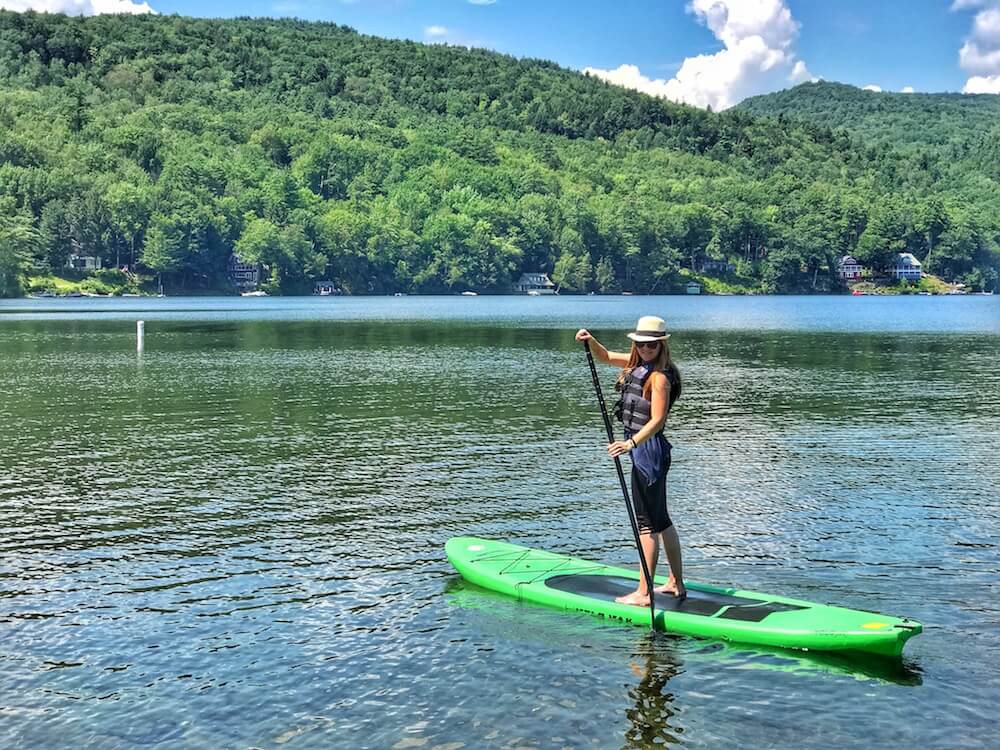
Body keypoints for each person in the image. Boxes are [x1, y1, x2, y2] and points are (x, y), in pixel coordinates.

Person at [575, 315, 685, 605]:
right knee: (661, 520)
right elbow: (607, 356)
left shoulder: (659, 377)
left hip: (648, 451)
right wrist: (590, 340)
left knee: (646, 524)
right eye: (641, 344)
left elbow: (658, 420)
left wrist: (630, 443)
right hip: (650, 451)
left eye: (652, 345)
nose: (646, 349)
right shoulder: (637, 365)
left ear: (661, 345)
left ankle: (644, 593)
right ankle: (675, 583)